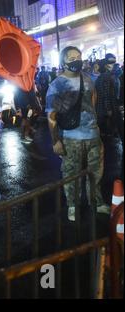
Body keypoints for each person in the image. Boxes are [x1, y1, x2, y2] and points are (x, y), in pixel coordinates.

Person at [46, 46, 110, 222]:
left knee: (96, 172)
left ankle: (96, 203)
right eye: (71, 57)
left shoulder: (88, 80)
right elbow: (51, 116)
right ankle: (73, 205)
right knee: (71, 173)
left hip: (93, 136)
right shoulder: (57, 85)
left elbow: (93, 103)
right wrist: (56, 141)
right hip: (70, 138)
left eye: (78, 56)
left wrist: (95, 127)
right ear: (63, 61)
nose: (76, 60)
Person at [95, 53, 118, 138]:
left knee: (103, 128)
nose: (112, 65)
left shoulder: (101, 77)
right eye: (111, 63)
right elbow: (106, 94)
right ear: (105, 66)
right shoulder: (106, 77)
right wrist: (108, 109)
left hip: (100, 107)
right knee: (107, 129)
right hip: (105, 108)